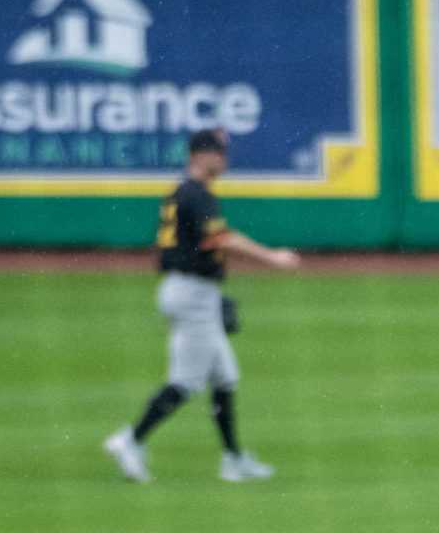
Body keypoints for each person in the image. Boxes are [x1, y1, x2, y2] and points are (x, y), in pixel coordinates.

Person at [102, 127, 299, 486]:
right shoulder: (195, 194)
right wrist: (272, 257)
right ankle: (130, 441)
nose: (224, 159)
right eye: (218, 153)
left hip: (190, 290)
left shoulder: (184, 192)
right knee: (186, 382)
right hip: (192, 294)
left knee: (225, 376)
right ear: (199, 155)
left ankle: (233, 458)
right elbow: (221, 239)